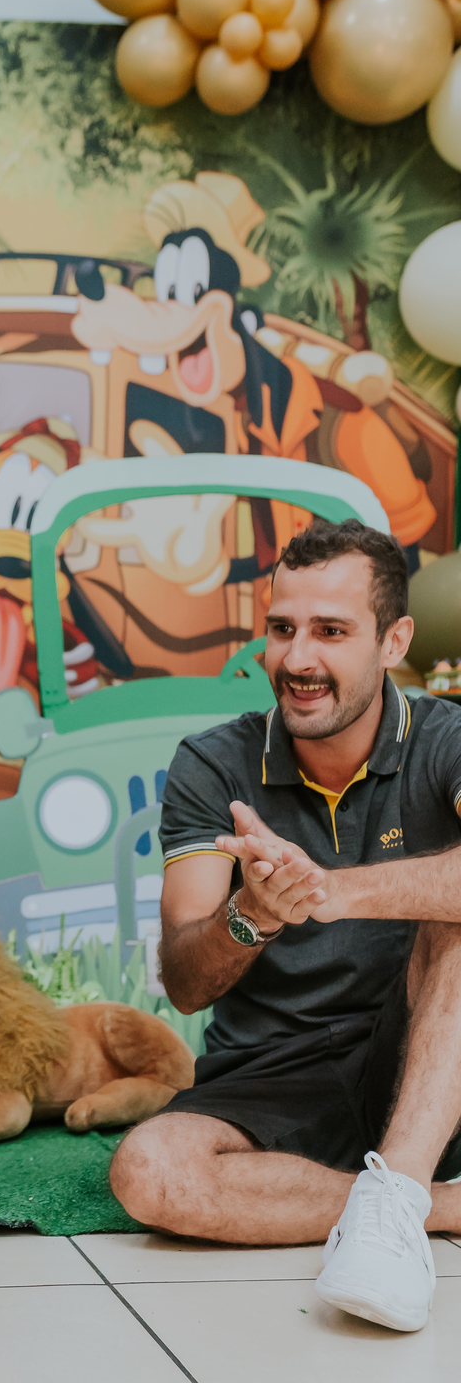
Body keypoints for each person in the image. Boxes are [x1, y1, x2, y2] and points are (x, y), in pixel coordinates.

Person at [110, 518, 461, 1334]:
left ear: (394, 639)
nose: (298, 659)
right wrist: (252, 913)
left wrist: (335, 892)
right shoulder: (212, 762)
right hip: (276, 1071)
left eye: (331, 632)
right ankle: (421, 1203)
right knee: (147, 1172)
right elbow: (188, 985)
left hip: (426, 1059)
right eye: (281, 629)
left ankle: (395, 1190)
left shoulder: (447, 738)